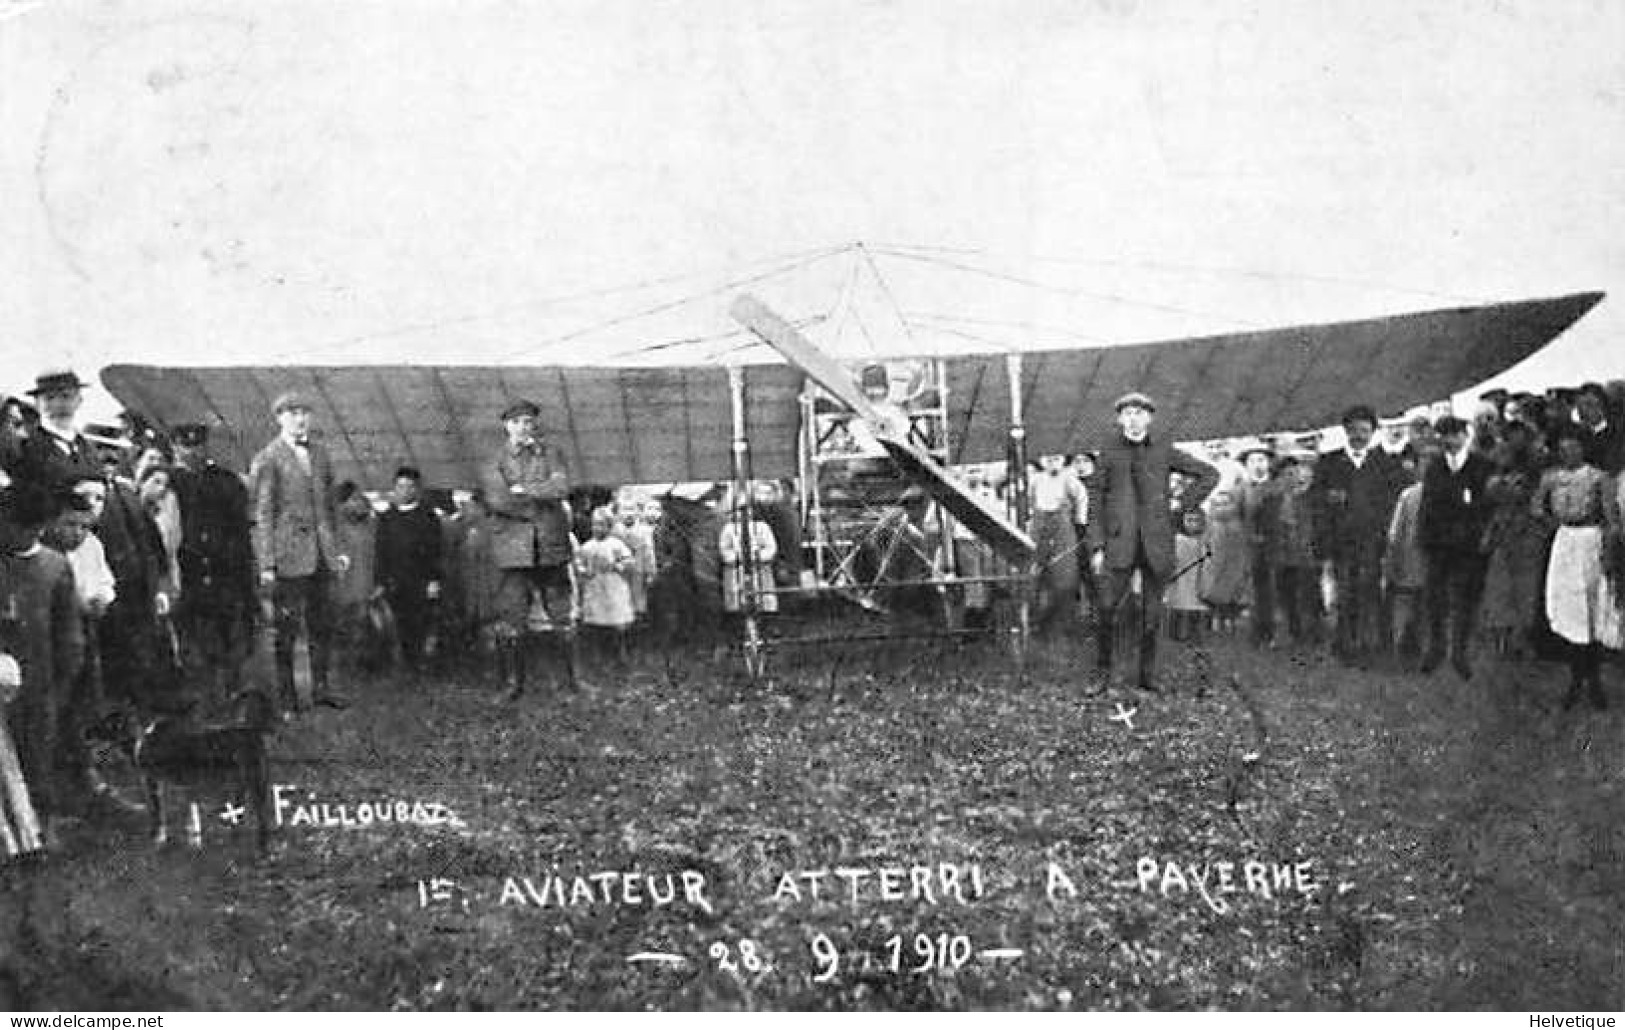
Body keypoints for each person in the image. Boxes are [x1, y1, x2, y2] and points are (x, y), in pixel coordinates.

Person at [1085, 392, 1220, 693]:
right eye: (1128, 413)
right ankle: (1102, 674)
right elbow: (1095, 501)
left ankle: (1147, 677)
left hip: (1156, 543)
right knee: (1106, 608)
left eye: (1140, 413)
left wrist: (1181, 504)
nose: (1133, 419)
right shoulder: (1108, 451)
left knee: (1152, 614)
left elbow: (1209, 474)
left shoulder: (1163, 449)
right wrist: (1096, 546)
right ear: (1120, 419)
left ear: (1150, 418)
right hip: (1119, 544)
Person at [249, 391, 350, 714]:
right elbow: (262, 514)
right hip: (289, 557)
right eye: (292, 413)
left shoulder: (320, 454)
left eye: (304, 412)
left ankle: (321, 690)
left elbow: (331, 506)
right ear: (279, 418)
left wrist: (339, 549)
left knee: (323, 626)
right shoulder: (267, 458)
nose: (300, 418)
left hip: (322, 555)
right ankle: (287, 699)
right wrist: (267, 563)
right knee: (287, 631)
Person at [0, 482, 84, 848]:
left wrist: (62, 682)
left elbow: (70, 636)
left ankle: (41, 827)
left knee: (38, 754)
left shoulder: (52, 566)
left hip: (40, 681)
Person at [481, 399, 575, 698]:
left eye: (530, 422)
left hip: (550, 545)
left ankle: (572, 681)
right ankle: (513, 685)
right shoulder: (493, 460)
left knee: (562, 614)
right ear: (506, 426)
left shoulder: (552, 453)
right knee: (513, 618)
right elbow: (498, 500)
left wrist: (525, 490)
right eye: (519, 422)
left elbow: (561, 487)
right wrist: (540, 501)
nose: (525, 427)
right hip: (512, 551)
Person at [1311, 404, 1406, 666]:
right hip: (1341, 542)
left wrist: (1387, 535)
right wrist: (1324, 533)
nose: (1359, 436)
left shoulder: (1386, 465)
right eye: (1354, 430)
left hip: (1373, 542)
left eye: (1365, 431)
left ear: (1373, 433)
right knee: (1344, 593)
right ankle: (1345, 646)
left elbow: (1394, 504)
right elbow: (1316, 502)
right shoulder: (1329, 463)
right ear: (1345, 431)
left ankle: (1370, 646)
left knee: (1371, 593)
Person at [1531, 427, 1617, 709]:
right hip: (1565, 540)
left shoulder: (1598, 477)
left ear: (1583, 449)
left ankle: (1593, 679)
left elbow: (1611, 516)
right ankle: (1575, 676)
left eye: (1574, 448)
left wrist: (1608, 547)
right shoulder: (1551, 477)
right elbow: (1536, 507)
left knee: (1590, 607)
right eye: (1563, 449)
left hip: (1590, 540)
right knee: (1567, 607)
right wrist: (1552, 525)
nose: (1568, 454)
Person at [169, 423, 255, 698]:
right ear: (175, 448)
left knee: (231, 636)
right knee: (193, 640)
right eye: (186, 446)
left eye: (198, 446)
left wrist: (243, 571)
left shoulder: (225, 481)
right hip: (187, 574)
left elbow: (241, 530)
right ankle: (202, 698)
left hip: (225, 573)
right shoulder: (167, 483)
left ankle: (233, 695)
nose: (193, 452)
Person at [1416, 416, 1496, 679]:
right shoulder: (1435, 466)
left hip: (1468, 545)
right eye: (1444, 436)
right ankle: (1436, 649)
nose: (1449, 441)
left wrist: (1481, 536)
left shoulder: (1482, 466)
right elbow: (1426, 505)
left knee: (1465, 600)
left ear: (1465, 435)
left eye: (1454, 435)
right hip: (1438, 544)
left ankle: (1459, 653)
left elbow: (1487, 507)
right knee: (1435, 599)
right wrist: (1424, 538)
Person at [375, 466, 443, 667]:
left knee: (420, 621)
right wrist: (380, 581)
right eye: (400, 486)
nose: (404, 491)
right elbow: (380, 552)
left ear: (416, 489)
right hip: (395, 581)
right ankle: (403, 661)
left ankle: (419, 661)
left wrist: (434, 580)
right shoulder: (387, 518)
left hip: (420, 580)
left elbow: (436, 551)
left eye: (409, 486)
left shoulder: (428, 517)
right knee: (398, 622)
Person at [331, 482, 384, 673]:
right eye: (354, 499)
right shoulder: (333, 528)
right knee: (341, 630)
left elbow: (378, 556)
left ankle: (356, 668)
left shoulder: (371, 525)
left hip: (364, 589)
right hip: (340, 590)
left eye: (361, 499)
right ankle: (341, 668)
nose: (360, 503)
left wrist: (378, 583)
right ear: (342, 503)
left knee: (361, 629)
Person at [1029, 454, 1084, 636]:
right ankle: (1037, 623)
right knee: (1035, 575)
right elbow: (1030, 503)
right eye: (1048, 458)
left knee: (1065, 577)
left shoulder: (1070, 479)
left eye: (1057, 458)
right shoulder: (1036, 480)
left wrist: (1080, 524)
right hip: (1039, 530)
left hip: (1064, 531)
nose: (1052, 461)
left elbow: (1082, 502)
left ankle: (1065, 625)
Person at [576, 507, 636, 665]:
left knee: (617, 623)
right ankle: (598, 655)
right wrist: (584, 571)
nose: (597, 528)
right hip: (595, 586)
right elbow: (579, 563)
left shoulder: (617, 545)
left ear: (609, 527)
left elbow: (629, 561)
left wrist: (617, 566)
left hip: (613, 585)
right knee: (596, 622)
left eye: (602, 525)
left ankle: (620, 654)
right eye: (595, 525)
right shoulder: (587, 546)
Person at [1237, 444, 1281, 646]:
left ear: (1269, 464)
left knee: (1270, 590)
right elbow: (1237, 518)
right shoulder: (1240, 490)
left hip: (1273, 546)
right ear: (1246, 465)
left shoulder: (1276, 488)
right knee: (1251, 590)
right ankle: (1255, 632)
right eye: (1253, 461)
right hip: (1248, 547)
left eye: (1262, 460)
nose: (1258, 465)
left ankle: (1271, 631)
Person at [1199, 490, 1249, 634]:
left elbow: (1242, 548)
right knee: (1213, 592)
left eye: (1226, 504)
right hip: (1214, 565)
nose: (1222, 508)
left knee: (1232, 591)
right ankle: (1214, 620)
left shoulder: (1237, 525)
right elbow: (1204, 543)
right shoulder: (1211, 524)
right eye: (1218, 504)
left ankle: (1229, 621)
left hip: (1233, 567)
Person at [1164, 508, 1210, 642]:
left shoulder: (1206, 542)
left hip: (1197, 584)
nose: (1192, 524)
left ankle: (1192, 637)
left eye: (1196, 520)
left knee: (1194, 613)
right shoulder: (1177, 540)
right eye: (1189, 520)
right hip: (1180, 583)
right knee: (1176, 609)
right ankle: (1175, 637)